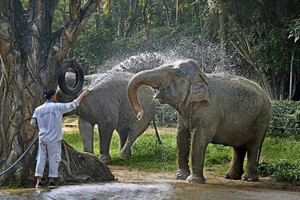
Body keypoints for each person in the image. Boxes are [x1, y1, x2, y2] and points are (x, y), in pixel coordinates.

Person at [30, 88, 89, 188]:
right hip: (54, 139)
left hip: (42, 138)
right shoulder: (58, 107)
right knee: (54, 158)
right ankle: (51, 181)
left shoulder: (38, 109)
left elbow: (32, 123)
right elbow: (73, 104)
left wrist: (42, 128)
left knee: (40, 159)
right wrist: (83, 94)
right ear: (53, 97)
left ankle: (39, 181)